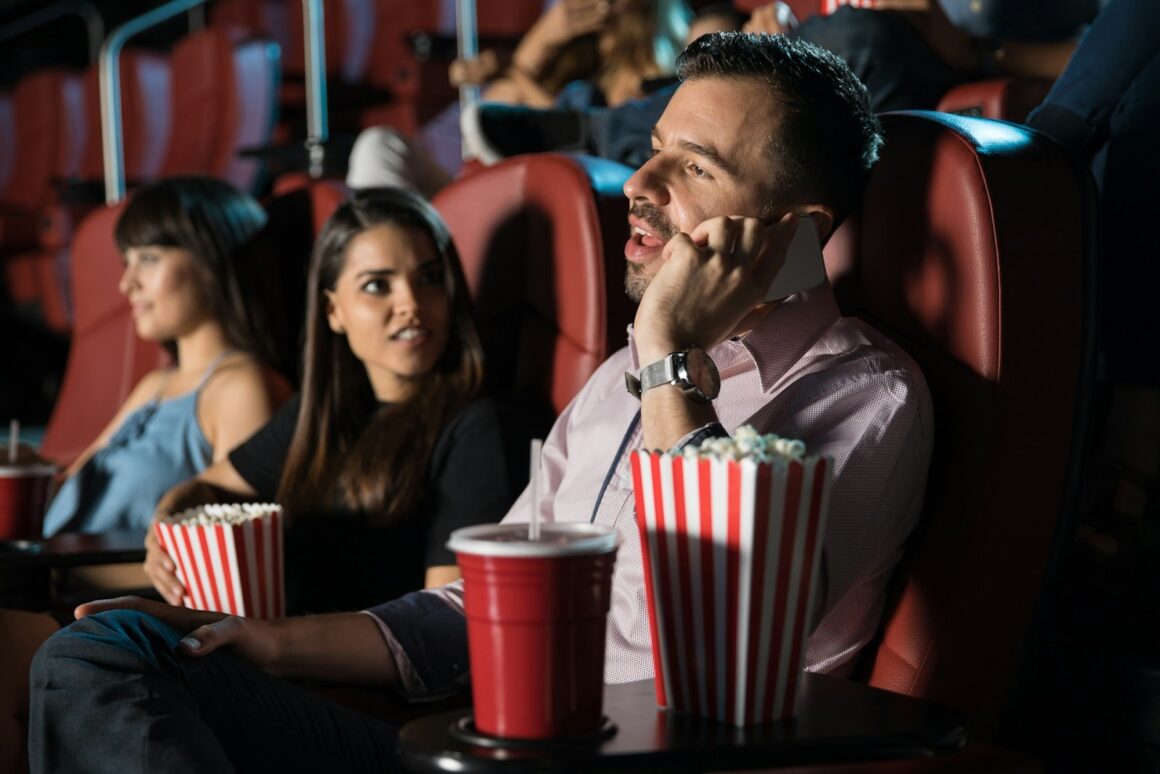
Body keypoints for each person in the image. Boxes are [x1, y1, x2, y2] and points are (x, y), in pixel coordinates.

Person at [29, 33, 933, 772]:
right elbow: (477, 606)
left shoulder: (863, 395)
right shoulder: (613, 384)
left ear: (796, 235)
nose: (641, 186)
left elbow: (724, 639)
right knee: (102, 657)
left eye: (692, 169)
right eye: (651, 149)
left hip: (633, 757)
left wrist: (667, 359)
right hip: (486, 741)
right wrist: (267, 641)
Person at [142, 187, 524, 614]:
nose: (411, 304)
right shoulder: (326, 412)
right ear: (333, 311)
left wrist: (269, 645)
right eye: (378, 285)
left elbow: (440, 626)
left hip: (348, 674)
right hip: (273, 653)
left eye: (429, 278)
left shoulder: (479, 428)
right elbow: (209, 486)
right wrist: (166, 525)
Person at [41, 176, 284, 537]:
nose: (127, 283)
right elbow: (68, 492)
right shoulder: (156, 384)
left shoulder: (240, 386)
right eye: (128, 261)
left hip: (92, 588)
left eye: (149, 259)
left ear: (212, 262)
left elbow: (232, 552)